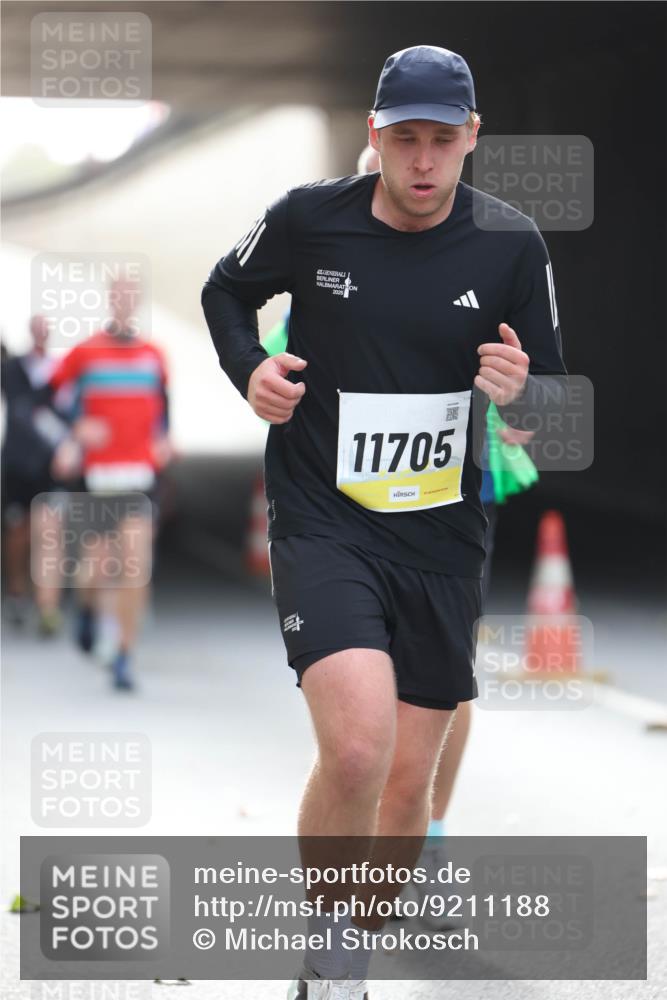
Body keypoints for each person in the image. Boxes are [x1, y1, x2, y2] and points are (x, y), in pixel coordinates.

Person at [202, 44, 565, 999]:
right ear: (374, 135)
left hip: (442, 537)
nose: (420, 162)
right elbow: (224, 290)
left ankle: (358, 937)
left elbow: (549, 400)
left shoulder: (511, 244)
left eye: (441, 142)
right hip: (323, 517)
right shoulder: (307, 220)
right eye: (402, 139)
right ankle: (328, 960)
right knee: (357, 748)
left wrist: (521, 393)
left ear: (471, 139)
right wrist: (251, 369)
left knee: (409, 783)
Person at [47, 278, 172, 690]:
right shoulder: (84, 353)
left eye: (129, 295)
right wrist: (73, 430)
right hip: (95, 477)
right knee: (96, 568)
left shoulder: (153, 355)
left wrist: (164, 439)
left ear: (135, 301)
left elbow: (164, 410)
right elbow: (47, 401)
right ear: (108, 300)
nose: (123, 302)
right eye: (116, 295)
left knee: (134, 563)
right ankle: (85, 610)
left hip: (138, 476)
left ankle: (123, 654)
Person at [1, 315, 71, 634]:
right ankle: (17, 591)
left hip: (50, 465)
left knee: (50, 532)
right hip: (17, 463)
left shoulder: (63, 372)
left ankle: (47, 607)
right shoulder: (12, 369)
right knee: (18, 531)